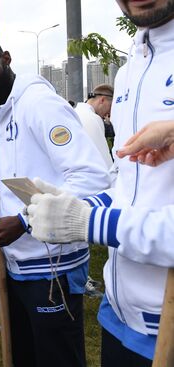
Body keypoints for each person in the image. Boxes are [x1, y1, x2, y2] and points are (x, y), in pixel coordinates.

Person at [27, 0, 174, 363]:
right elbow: (129, 186)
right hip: (120, 315)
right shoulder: (129, 71)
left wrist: (89, 222)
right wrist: (77, 207)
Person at [0, 33, 110, 367]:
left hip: (52, 266)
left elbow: (91, 179)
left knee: (58, 359)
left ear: (6, 59)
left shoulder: (38, 103)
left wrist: (24, 222)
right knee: (26, 356)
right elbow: (22, 178)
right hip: (15, 266)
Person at [75, 84, 114, 168]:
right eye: (111, 107)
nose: (110, 113)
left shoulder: (74, 113)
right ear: (102, 100)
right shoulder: (92, 118)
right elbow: (104, 160)